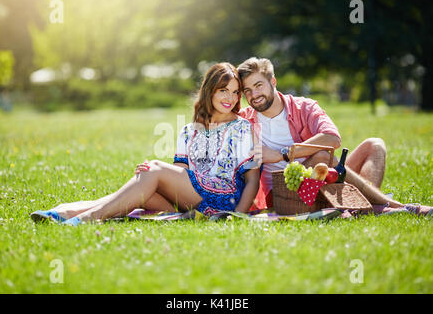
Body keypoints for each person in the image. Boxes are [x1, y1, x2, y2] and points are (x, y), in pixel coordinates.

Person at [30, 62, 261, 225]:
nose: (230, 98)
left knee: (153, 171)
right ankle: (62, 213)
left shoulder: (241, 128)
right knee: (138, 191)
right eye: (223, 90)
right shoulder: (189, 130)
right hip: (190, 203)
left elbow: (252, 179)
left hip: (223, 201)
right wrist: (153, 177)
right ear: (210, 91)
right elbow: (182, 174)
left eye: (235, 92)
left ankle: (82, 218)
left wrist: (237, 216)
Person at [237, 57, 431, 215]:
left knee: (374, 144)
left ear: (273, 82)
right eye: (248, 90)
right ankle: (389, 205)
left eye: (259, 85)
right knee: (322, 157)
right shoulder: (245, 120)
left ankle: (363, 205)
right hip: (285, 193)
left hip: (324, 178)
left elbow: (332, 138)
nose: (254, 94)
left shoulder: (303, 107)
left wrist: (283, 154)